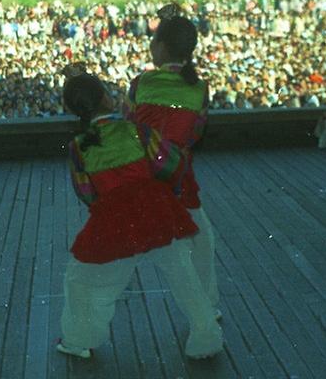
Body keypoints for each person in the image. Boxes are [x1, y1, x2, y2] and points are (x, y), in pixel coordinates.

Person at [57, 67, 222, 360]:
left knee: (82, 280)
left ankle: (78, 340)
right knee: (184, 276)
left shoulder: (78, 147)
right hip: (158, 212)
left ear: (71, 109)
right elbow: (169, 164)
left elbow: (86, 193)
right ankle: (206, 337)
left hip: (115, 221)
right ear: (107, 98)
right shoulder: (137, 131)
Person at [123, 8, 220, 316]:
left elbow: (128, 126)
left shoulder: (141, 83)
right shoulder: (201, 88)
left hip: (142, 177)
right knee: (201, 240)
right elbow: (196, 133)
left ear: (162, 48)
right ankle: (207, 306)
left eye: (153, 40)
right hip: (179, 176)